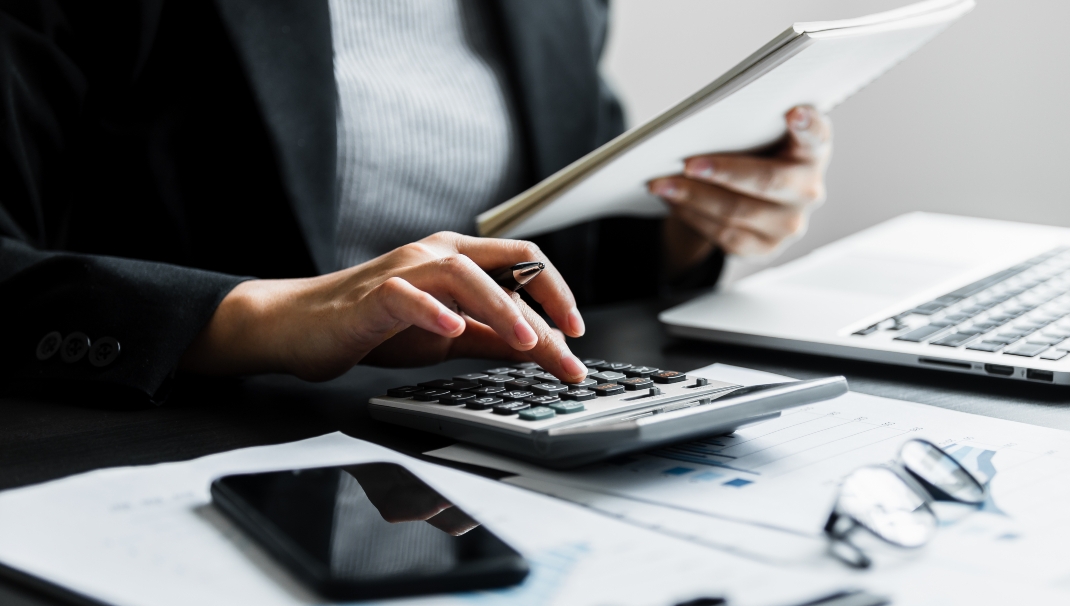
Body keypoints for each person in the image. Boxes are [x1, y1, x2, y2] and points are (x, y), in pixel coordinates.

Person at [0, 0, 831, 404]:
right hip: (156, 441)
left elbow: (548, 250)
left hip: (470, 434)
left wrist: (693, 227)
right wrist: (260, 316)